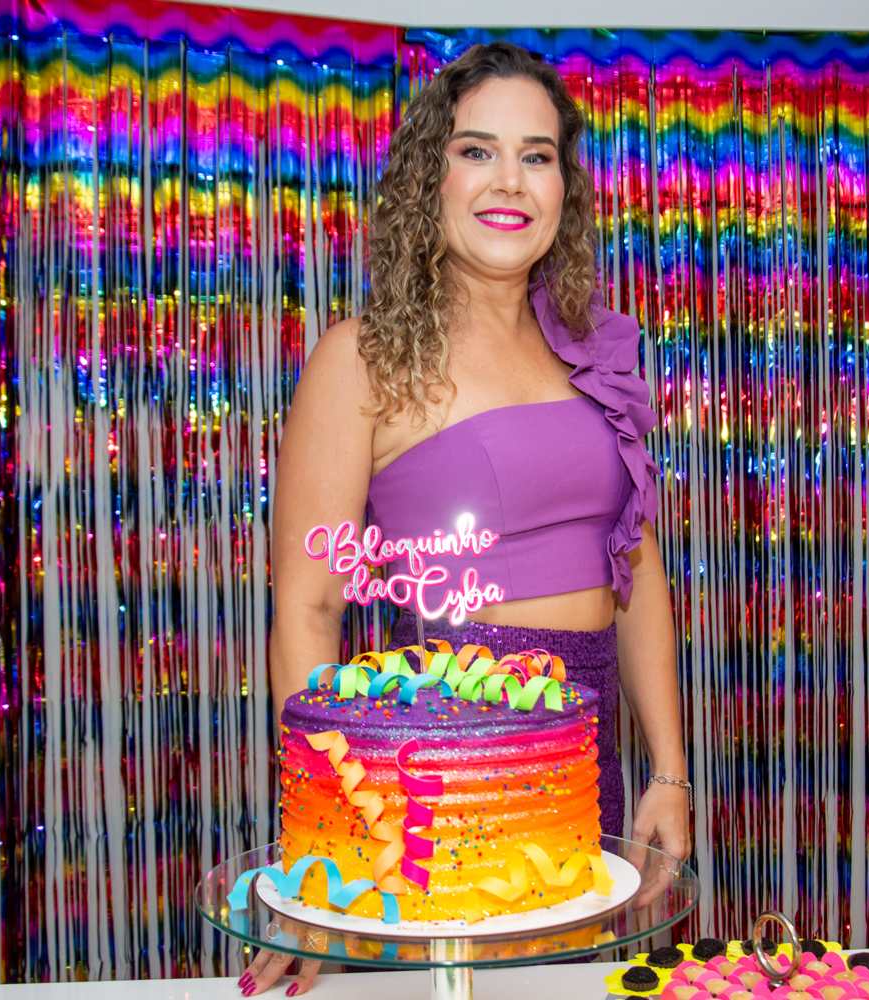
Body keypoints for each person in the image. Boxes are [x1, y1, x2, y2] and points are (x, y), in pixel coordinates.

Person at [238, 40, 689, 997]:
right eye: (477, 150)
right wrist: (325, 853)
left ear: (564, 187)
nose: (510, 180)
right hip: (437, 782)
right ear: (428, 178)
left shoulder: (596, 354)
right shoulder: (362, 361)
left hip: (583, 773)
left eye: (537, 155)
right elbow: (309, 610)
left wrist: (670, 774)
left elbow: (636, 565)